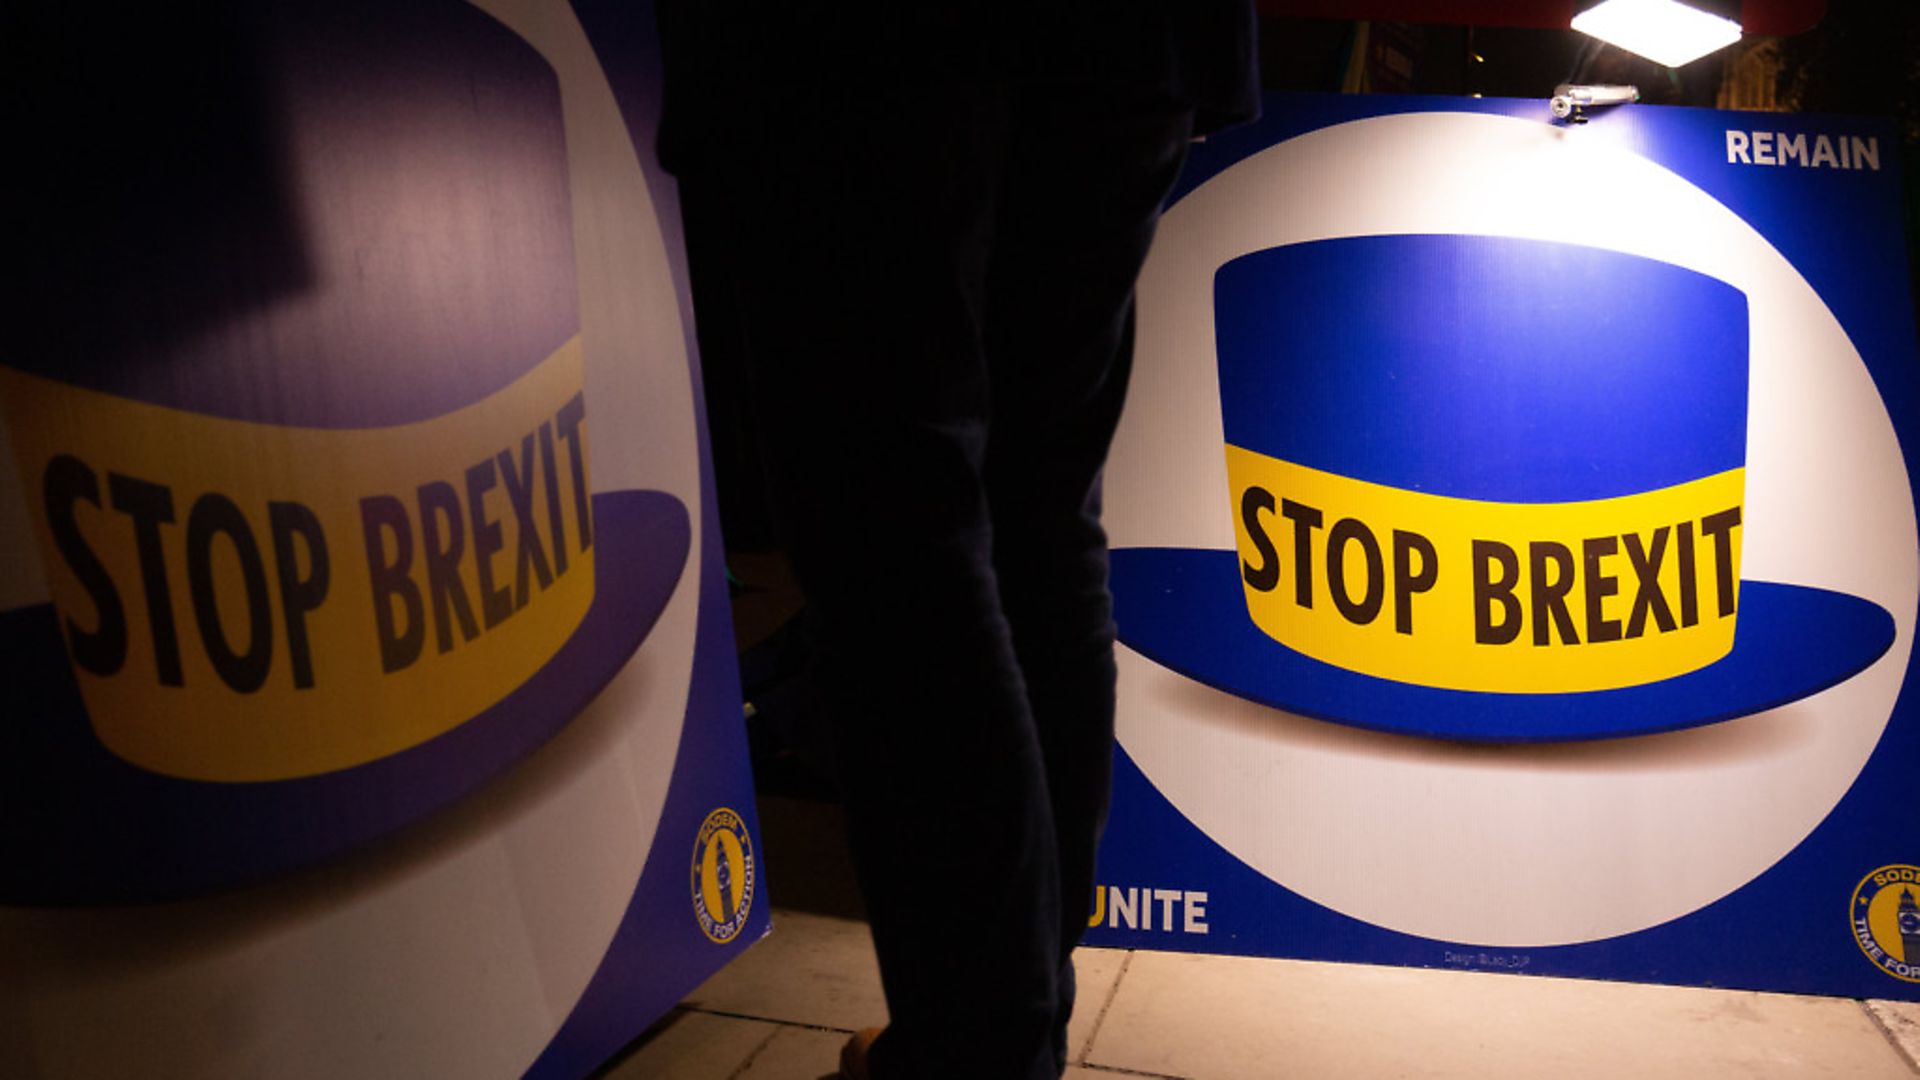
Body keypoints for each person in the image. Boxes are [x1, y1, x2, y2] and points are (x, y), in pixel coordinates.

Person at [659, 6, 1258, 1076]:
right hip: (1138, 37)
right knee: (1037, 515)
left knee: (891, 521)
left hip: (870, 43)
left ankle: (981, 1047)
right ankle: (1009, 1016)